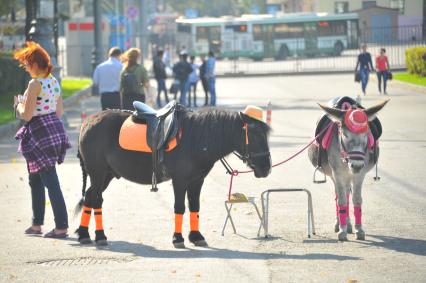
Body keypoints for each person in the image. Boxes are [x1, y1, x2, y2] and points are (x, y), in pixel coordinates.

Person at [13, 41, 71, 238]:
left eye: (27, 65)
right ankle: (36, 224)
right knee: (35, 179)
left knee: (49, 180)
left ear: (36, 65)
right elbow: (59, 110)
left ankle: (61, 226)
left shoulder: (35, 83)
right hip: (53, 129)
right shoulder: (54, 81)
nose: (27, 69)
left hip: (39, 133)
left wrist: (18, 105)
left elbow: (26, 115)